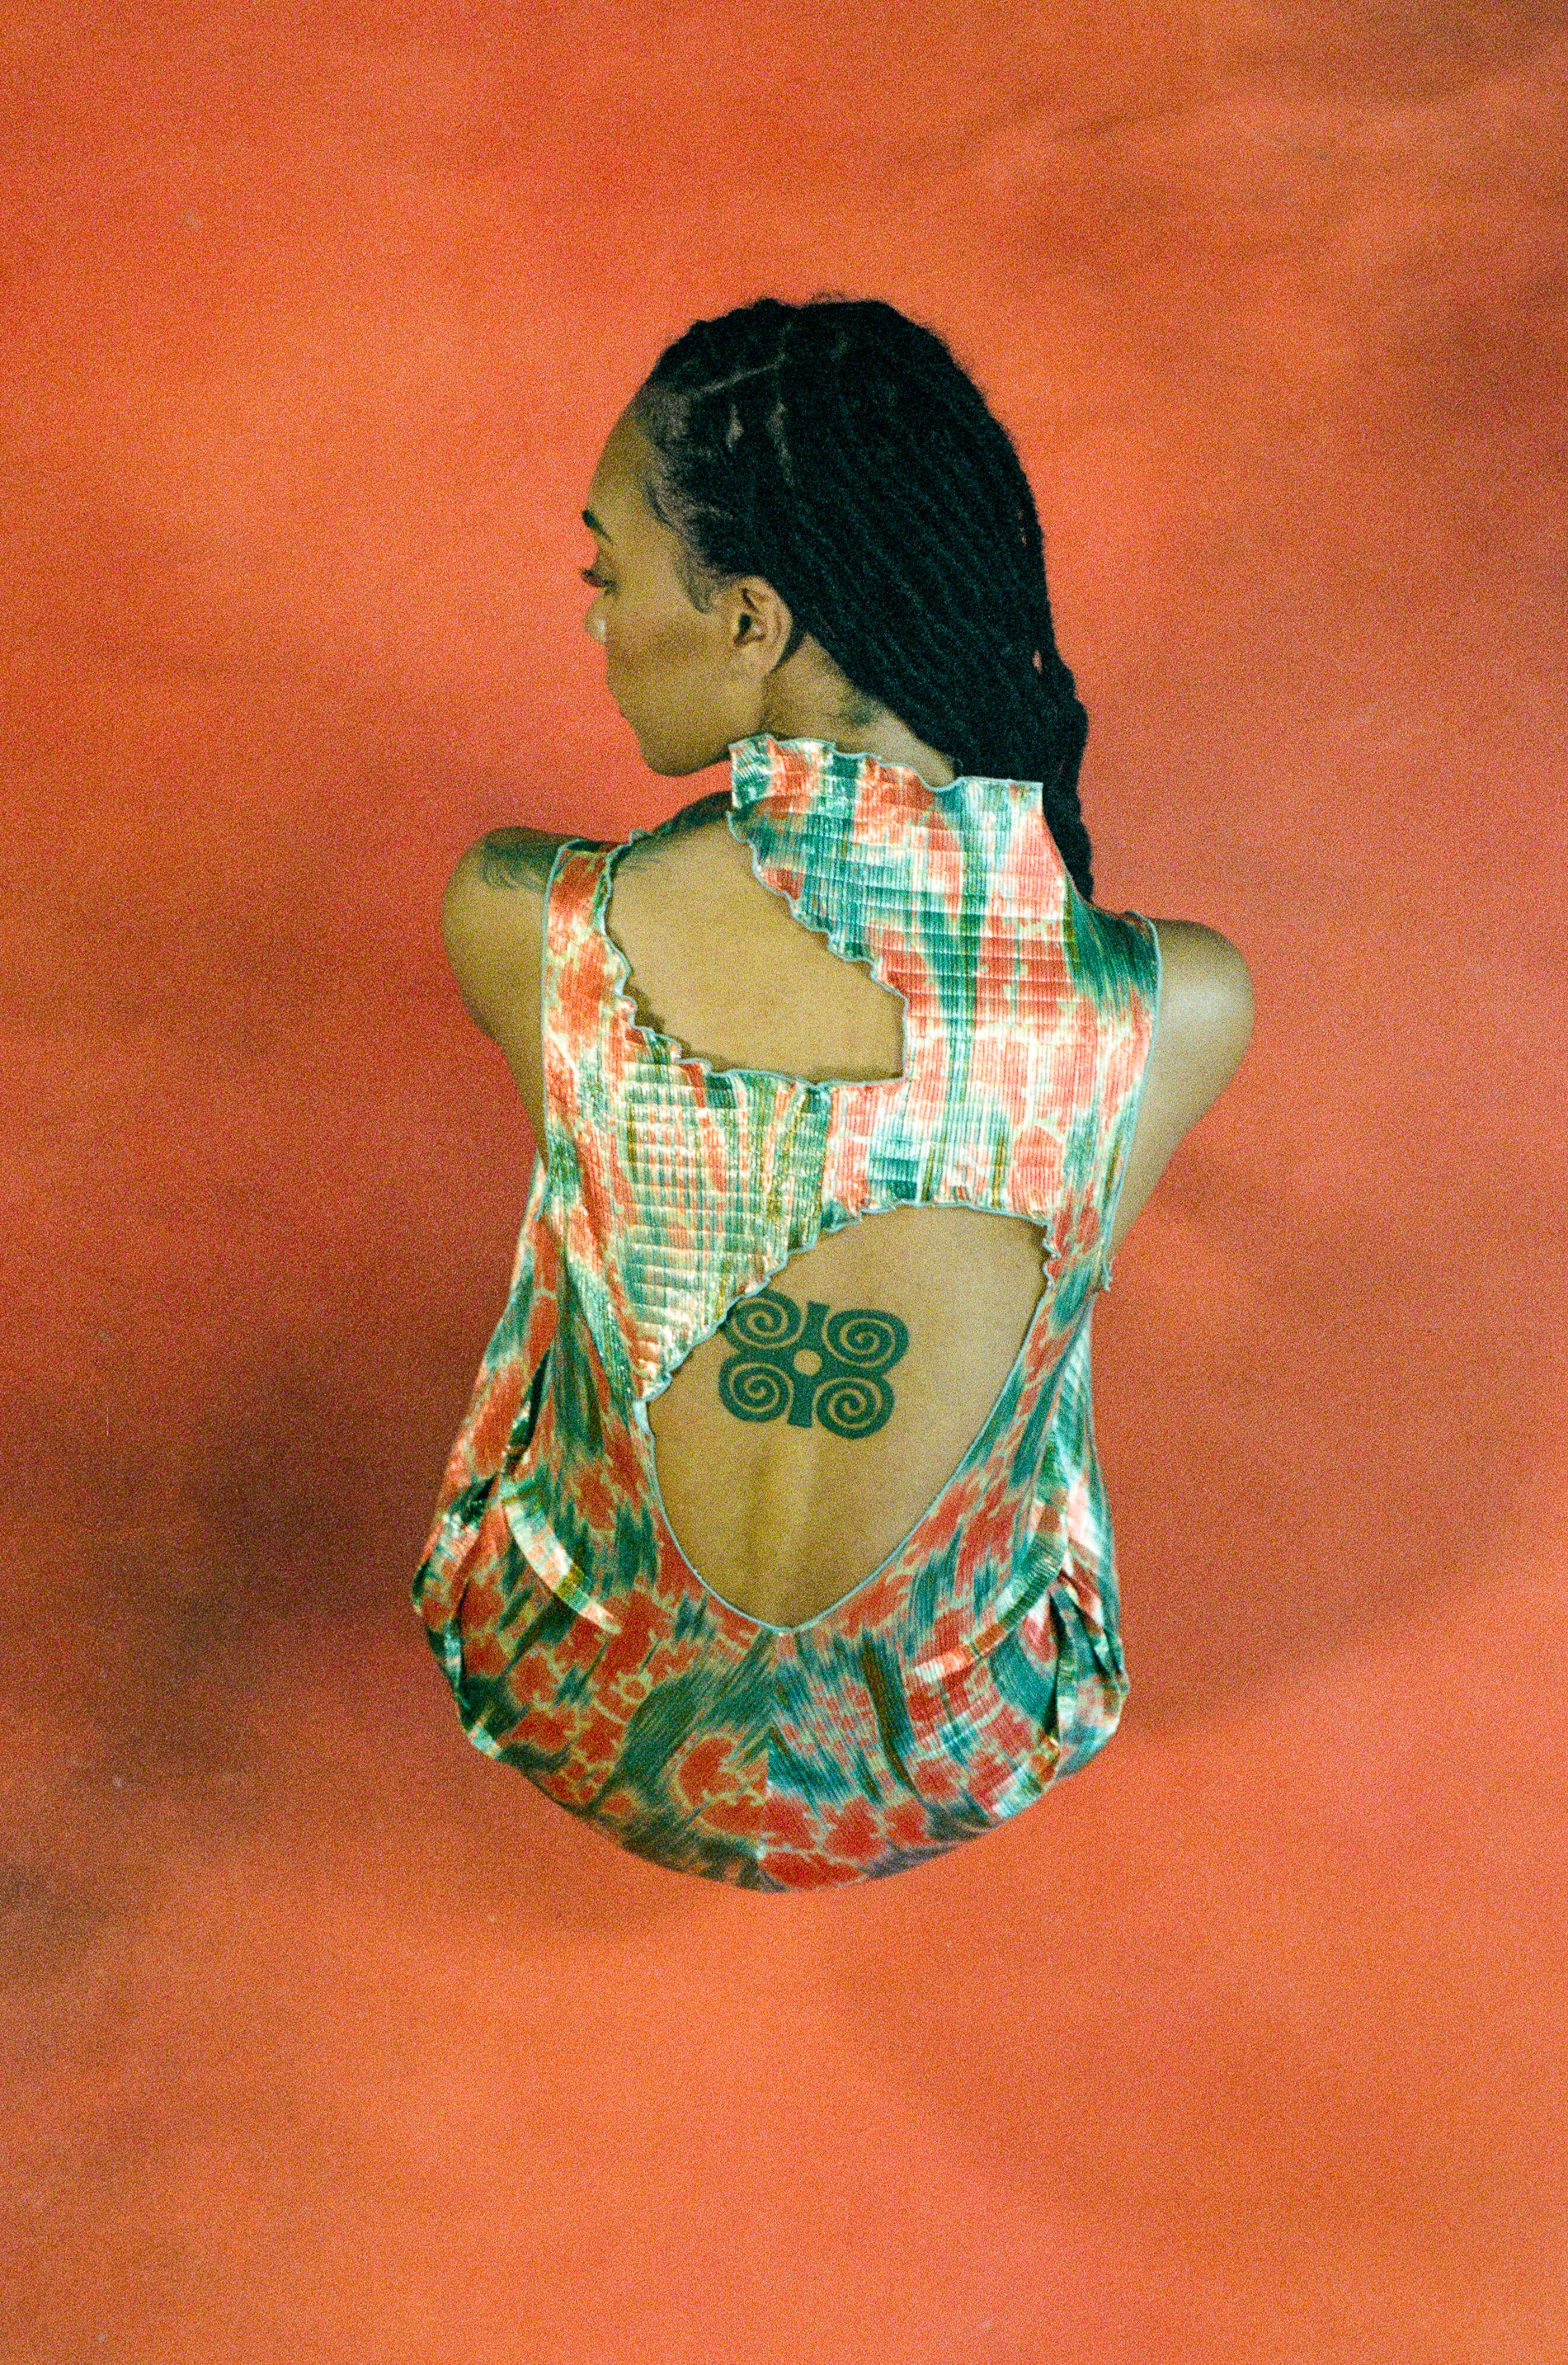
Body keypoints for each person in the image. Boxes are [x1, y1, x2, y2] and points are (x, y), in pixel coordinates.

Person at [416, 294, 1255, 1890]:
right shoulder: (1172, 1007)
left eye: (606, 575)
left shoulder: (530, 924)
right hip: (952, 1751)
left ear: (749, 621)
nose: (594, 624)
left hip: (571, 1698)